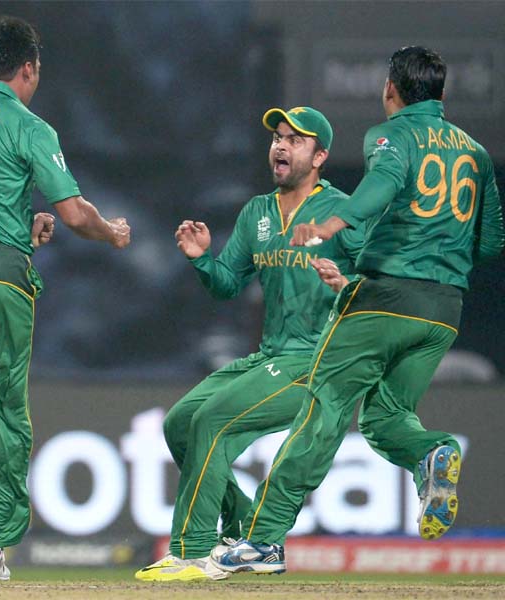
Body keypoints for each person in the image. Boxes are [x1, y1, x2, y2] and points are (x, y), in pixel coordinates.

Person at [214, 46, 504, 576]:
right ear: (442, 93)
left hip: (386, 299)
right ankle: (431, 451)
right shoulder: (478, 153)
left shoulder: (388, 135)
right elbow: (490, 244)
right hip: (444, 311)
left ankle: (262, 541)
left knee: (322, 408)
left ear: (390, 89)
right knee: (385, 416)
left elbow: (383, 183)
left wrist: (335, 222)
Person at [0, 15, 130, 581]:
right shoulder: (30, 126)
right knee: (8, 412)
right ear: (29, 68)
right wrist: (111, 232)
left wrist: (17, 219)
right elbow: (75, 213)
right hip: (1, 276)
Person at [135, 107, 363, 582]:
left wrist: (348, 282)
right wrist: (202, 259)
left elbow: (379, 282)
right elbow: (226, 285)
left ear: (320, 156)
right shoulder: (257, 212)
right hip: (272, 354)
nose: (280, 146)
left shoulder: (344, 211)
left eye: (294, 140)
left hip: (317, 361)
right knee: (180, 424)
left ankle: (193, 554)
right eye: (277, 138)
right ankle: (240, 525)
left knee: (213, 421)